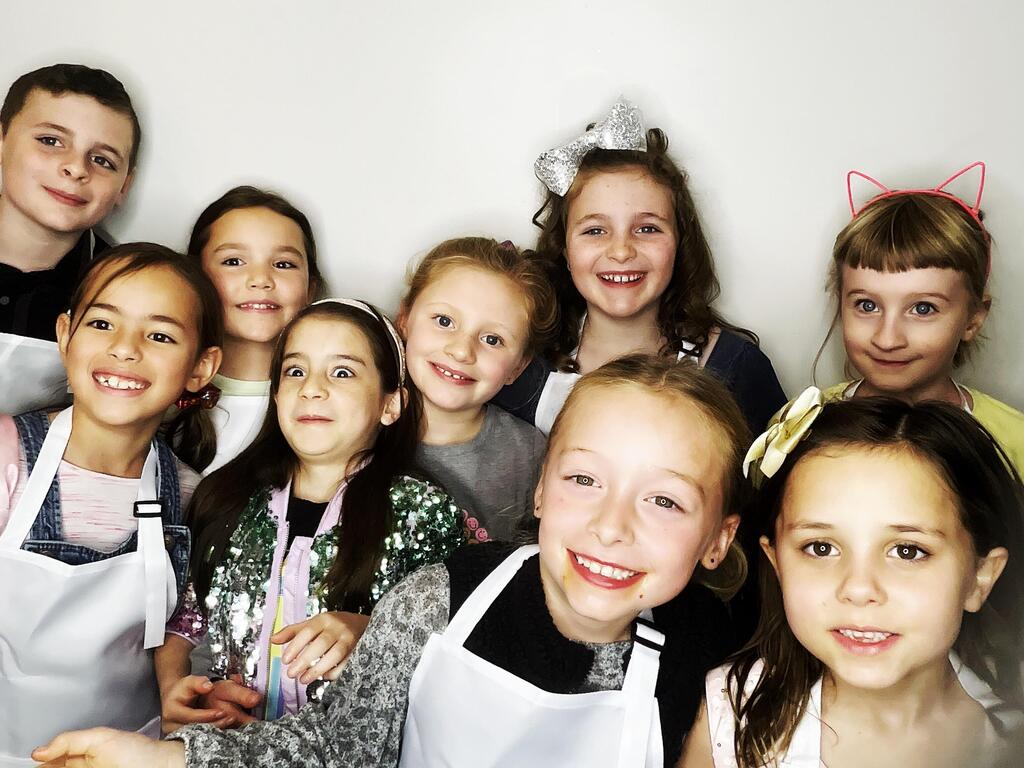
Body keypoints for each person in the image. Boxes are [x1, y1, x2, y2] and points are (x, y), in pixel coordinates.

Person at [35, 354, 751, 768]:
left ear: (719, 538)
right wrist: (162, 759)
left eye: (664, 502)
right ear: (540, 487)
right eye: (584, 480)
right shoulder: (438, 598)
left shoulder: (714, 664)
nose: (610, 526)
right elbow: (332, 749)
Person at [156, 299, 464, 731]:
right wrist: (182, 688)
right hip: (232, 748)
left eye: (342, 372)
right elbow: (186, 620)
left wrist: (371, 628)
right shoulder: (225, 498)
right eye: (296, 371)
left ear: (390, 404)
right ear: (277, 393)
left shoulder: (423, 513)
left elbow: (454, 645)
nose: (312, 388)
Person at [679, 393, 1024, 768]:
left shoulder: (1008, 741)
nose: (858, 589)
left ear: (980, 577)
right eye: (821, 548)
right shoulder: (732, 711)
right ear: (777, 564)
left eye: (907, 551)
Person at [0, 243, 222, 765]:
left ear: (201, 367)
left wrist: (178, 689)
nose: (126, 349)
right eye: (102, 324)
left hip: (124, 753)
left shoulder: (189, 495)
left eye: (160, 335)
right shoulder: (7, 455)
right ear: (64, 334)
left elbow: (183, 625)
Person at [495, 99, 785, 435]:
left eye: (647, 228)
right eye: (595, 230)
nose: (621, 251)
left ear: (680, 240)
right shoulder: (521, 367)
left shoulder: (736, 368)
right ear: (564, 248)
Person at [815, 162, 1024, 476]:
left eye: (923, 309)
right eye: (867, 305)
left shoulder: (1012, 443)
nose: (887, 339)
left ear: (973, 319)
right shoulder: (800, 426)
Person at [0, 64, 140, 415]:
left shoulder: (127, 292)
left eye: (103, 160)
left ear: (125, 185)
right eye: (50, 141)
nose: (76, 168)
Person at [399, 237, 556, 541]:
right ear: (404, 319)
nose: (461, 351)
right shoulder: (357, 422)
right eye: (444, 321)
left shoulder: (530, 456)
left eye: (493, 340)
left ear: (518, 367)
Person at [169, 186, 323, 474]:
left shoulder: (323, 404)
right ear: (194, 278)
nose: (261, 280)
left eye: (283, 264)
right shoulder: (160, 387)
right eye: (233, 262)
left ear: (309, 289)